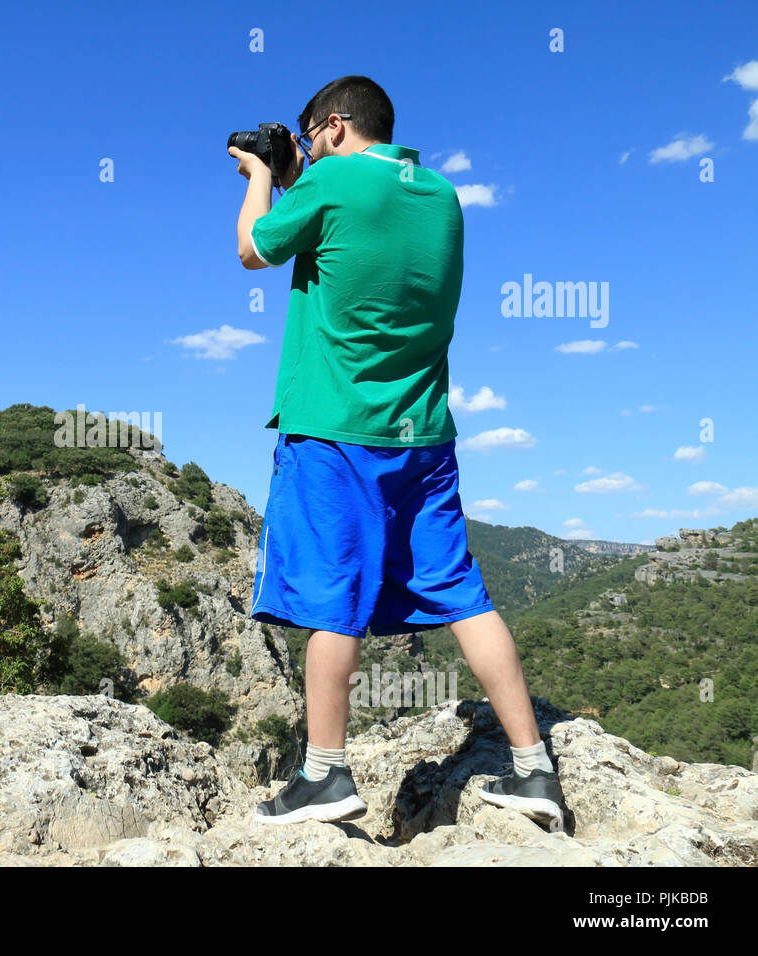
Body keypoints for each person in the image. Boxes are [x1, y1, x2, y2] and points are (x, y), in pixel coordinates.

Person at [228, 75, 565, 832]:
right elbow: (363, 232)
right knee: (463, 594)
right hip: (423, 435)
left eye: (311, 131)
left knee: (331, 599)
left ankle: (323, 775)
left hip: (335, 430)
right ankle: (535, 770)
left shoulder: (333, 180)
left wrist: (261, 177)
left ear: (336, 124)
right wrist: (302, 174)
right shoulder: (441, 194)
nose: (306, 143)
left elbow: (253, 249)